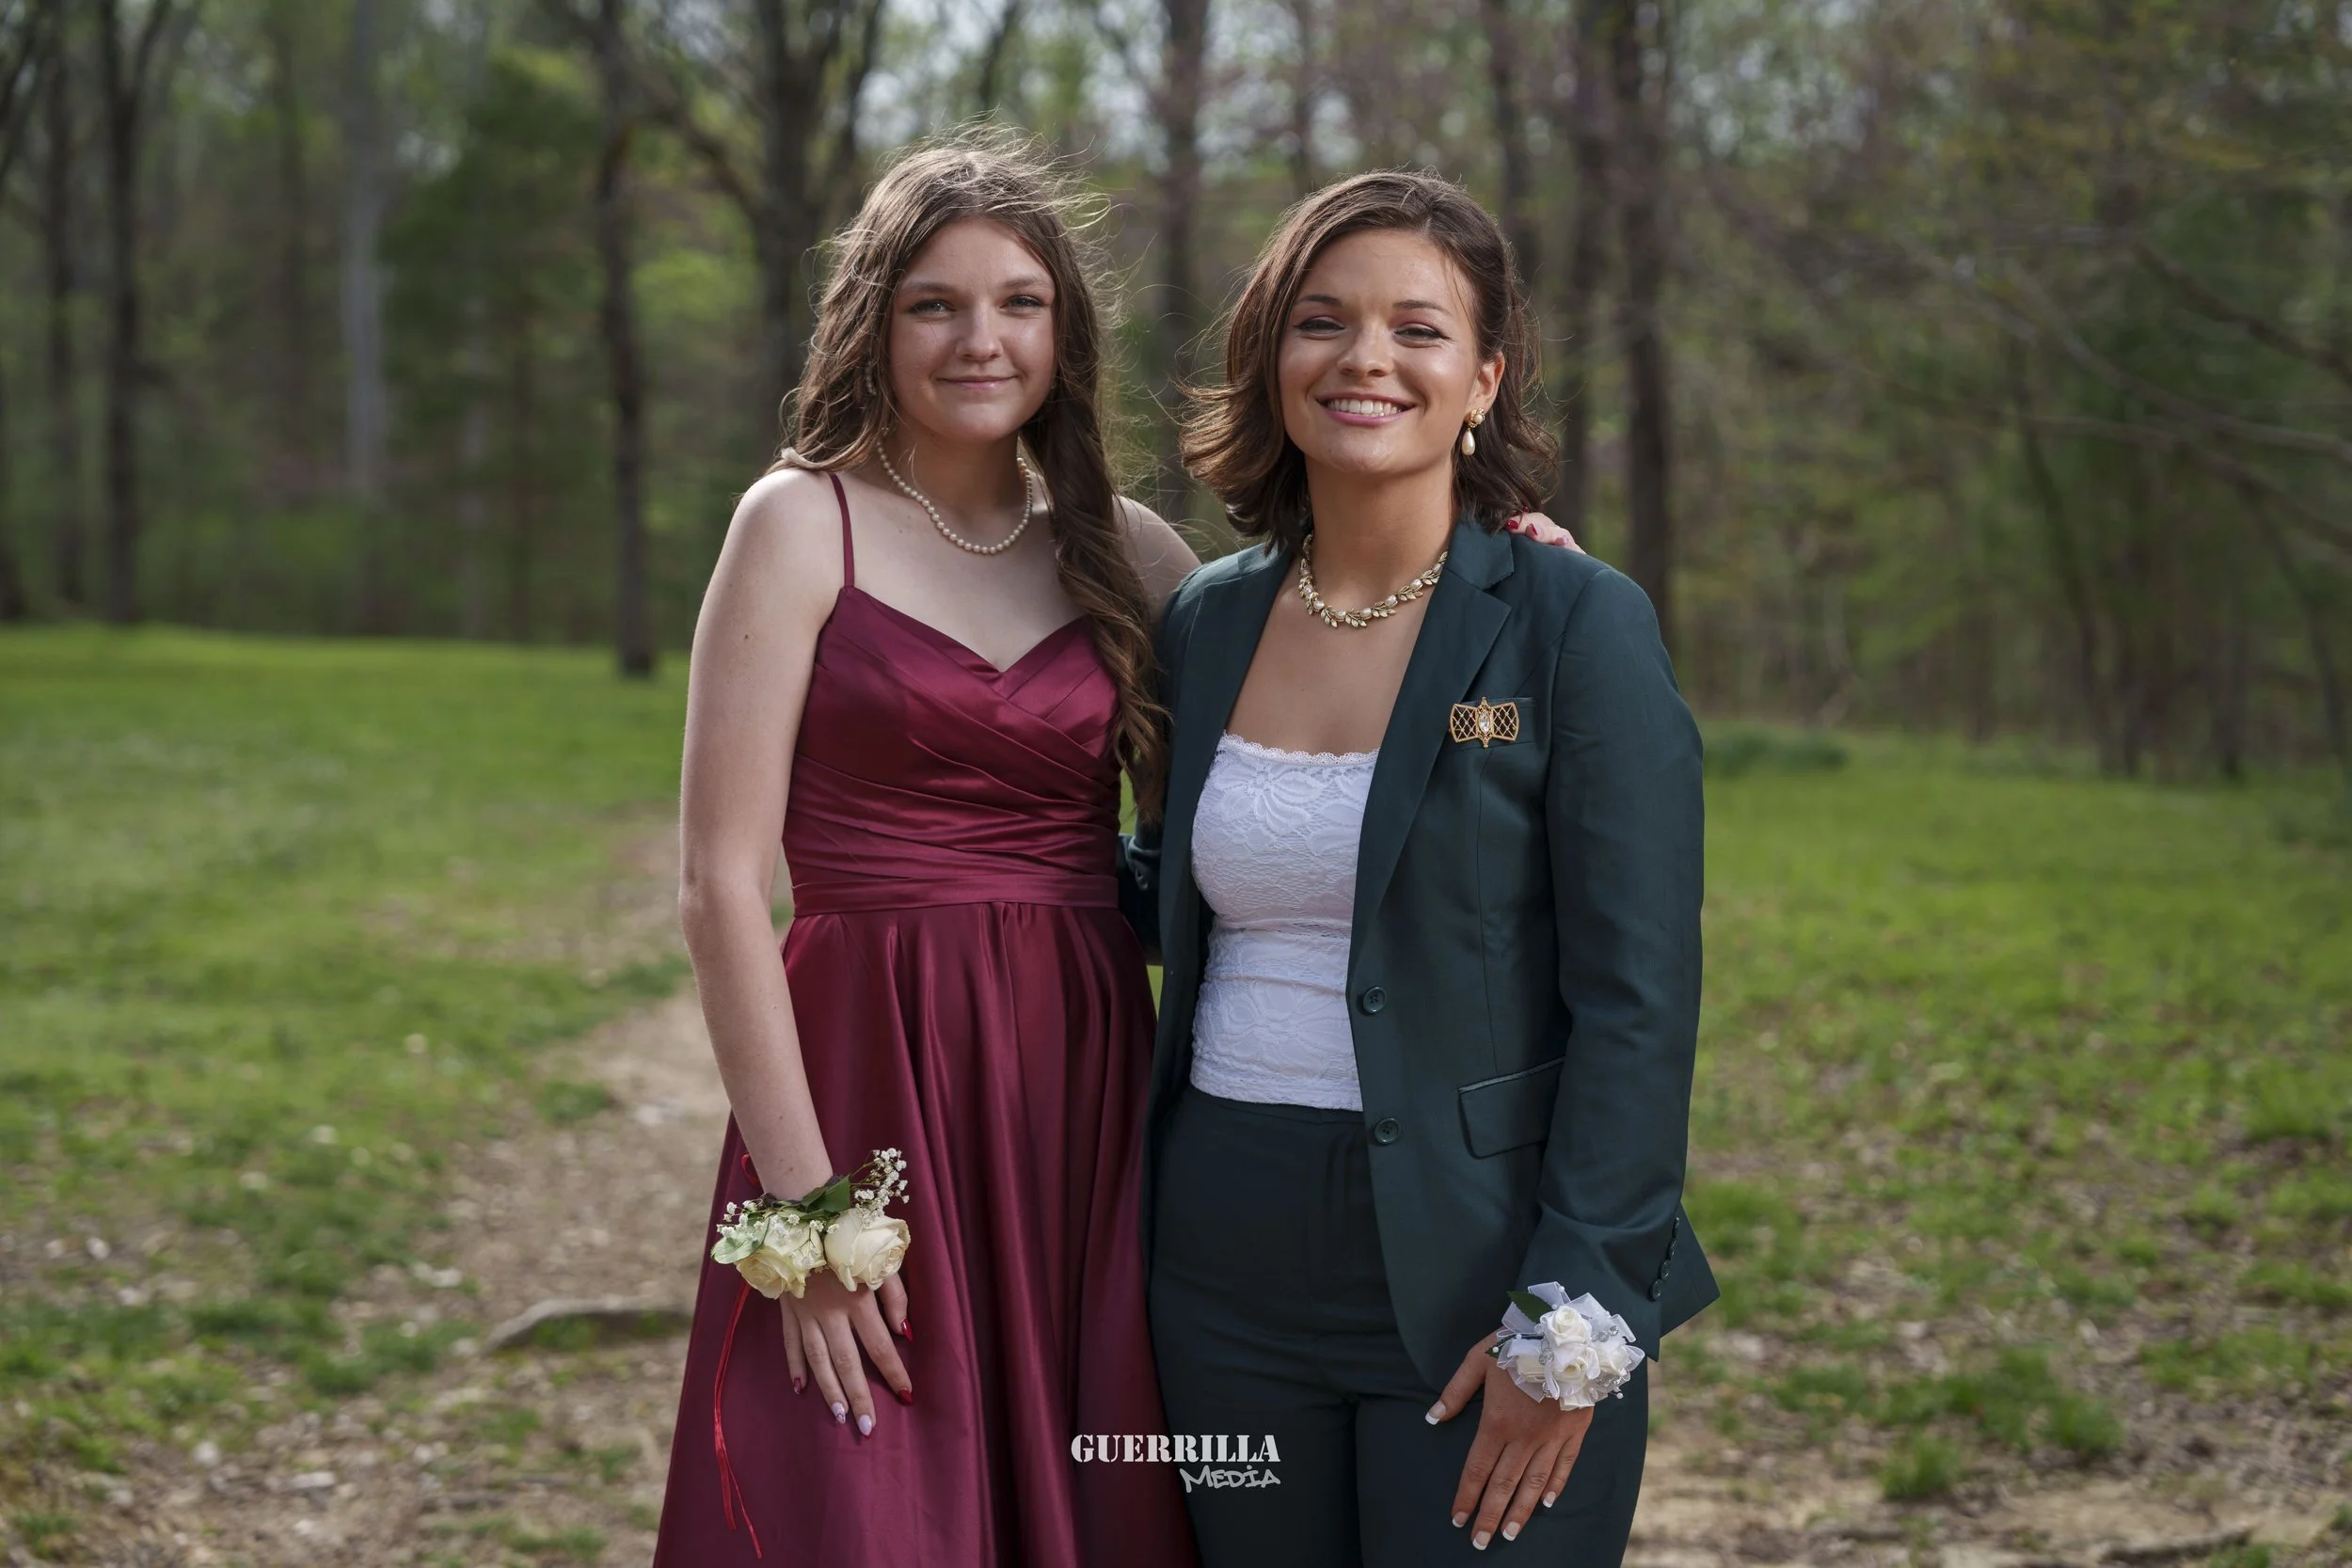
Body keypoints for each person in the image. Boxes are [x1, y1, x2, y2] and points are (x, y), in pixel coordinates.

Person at [1131, 170, 1718, 1567]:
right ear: (1271, 356)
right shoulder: (1205, 626)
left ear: (1483, 378)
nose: (1366, 359)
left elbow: (1639, 999)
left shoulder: (1574, 622)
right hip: (1218, 1259)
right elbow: (1154, 892)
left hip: (1479, 1261)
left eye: (1419, 328)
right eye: (1322, 321)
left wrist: (1570, 1320)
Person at [651, 132, 1200, 1567]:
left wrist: (1501, 550)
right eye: (935, 303)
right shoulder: (798, 521)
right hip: (863, 1073)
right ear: (873, 322)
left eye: (1020, 301)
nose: (982, 338)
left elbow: (1320, 711)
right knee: (862, 1488)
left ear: (1064, 330)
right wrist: (809, 1215)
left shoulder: (1127, 552)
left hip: (1078, 1082)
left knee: (1095, 1480)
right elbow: (719, 884)